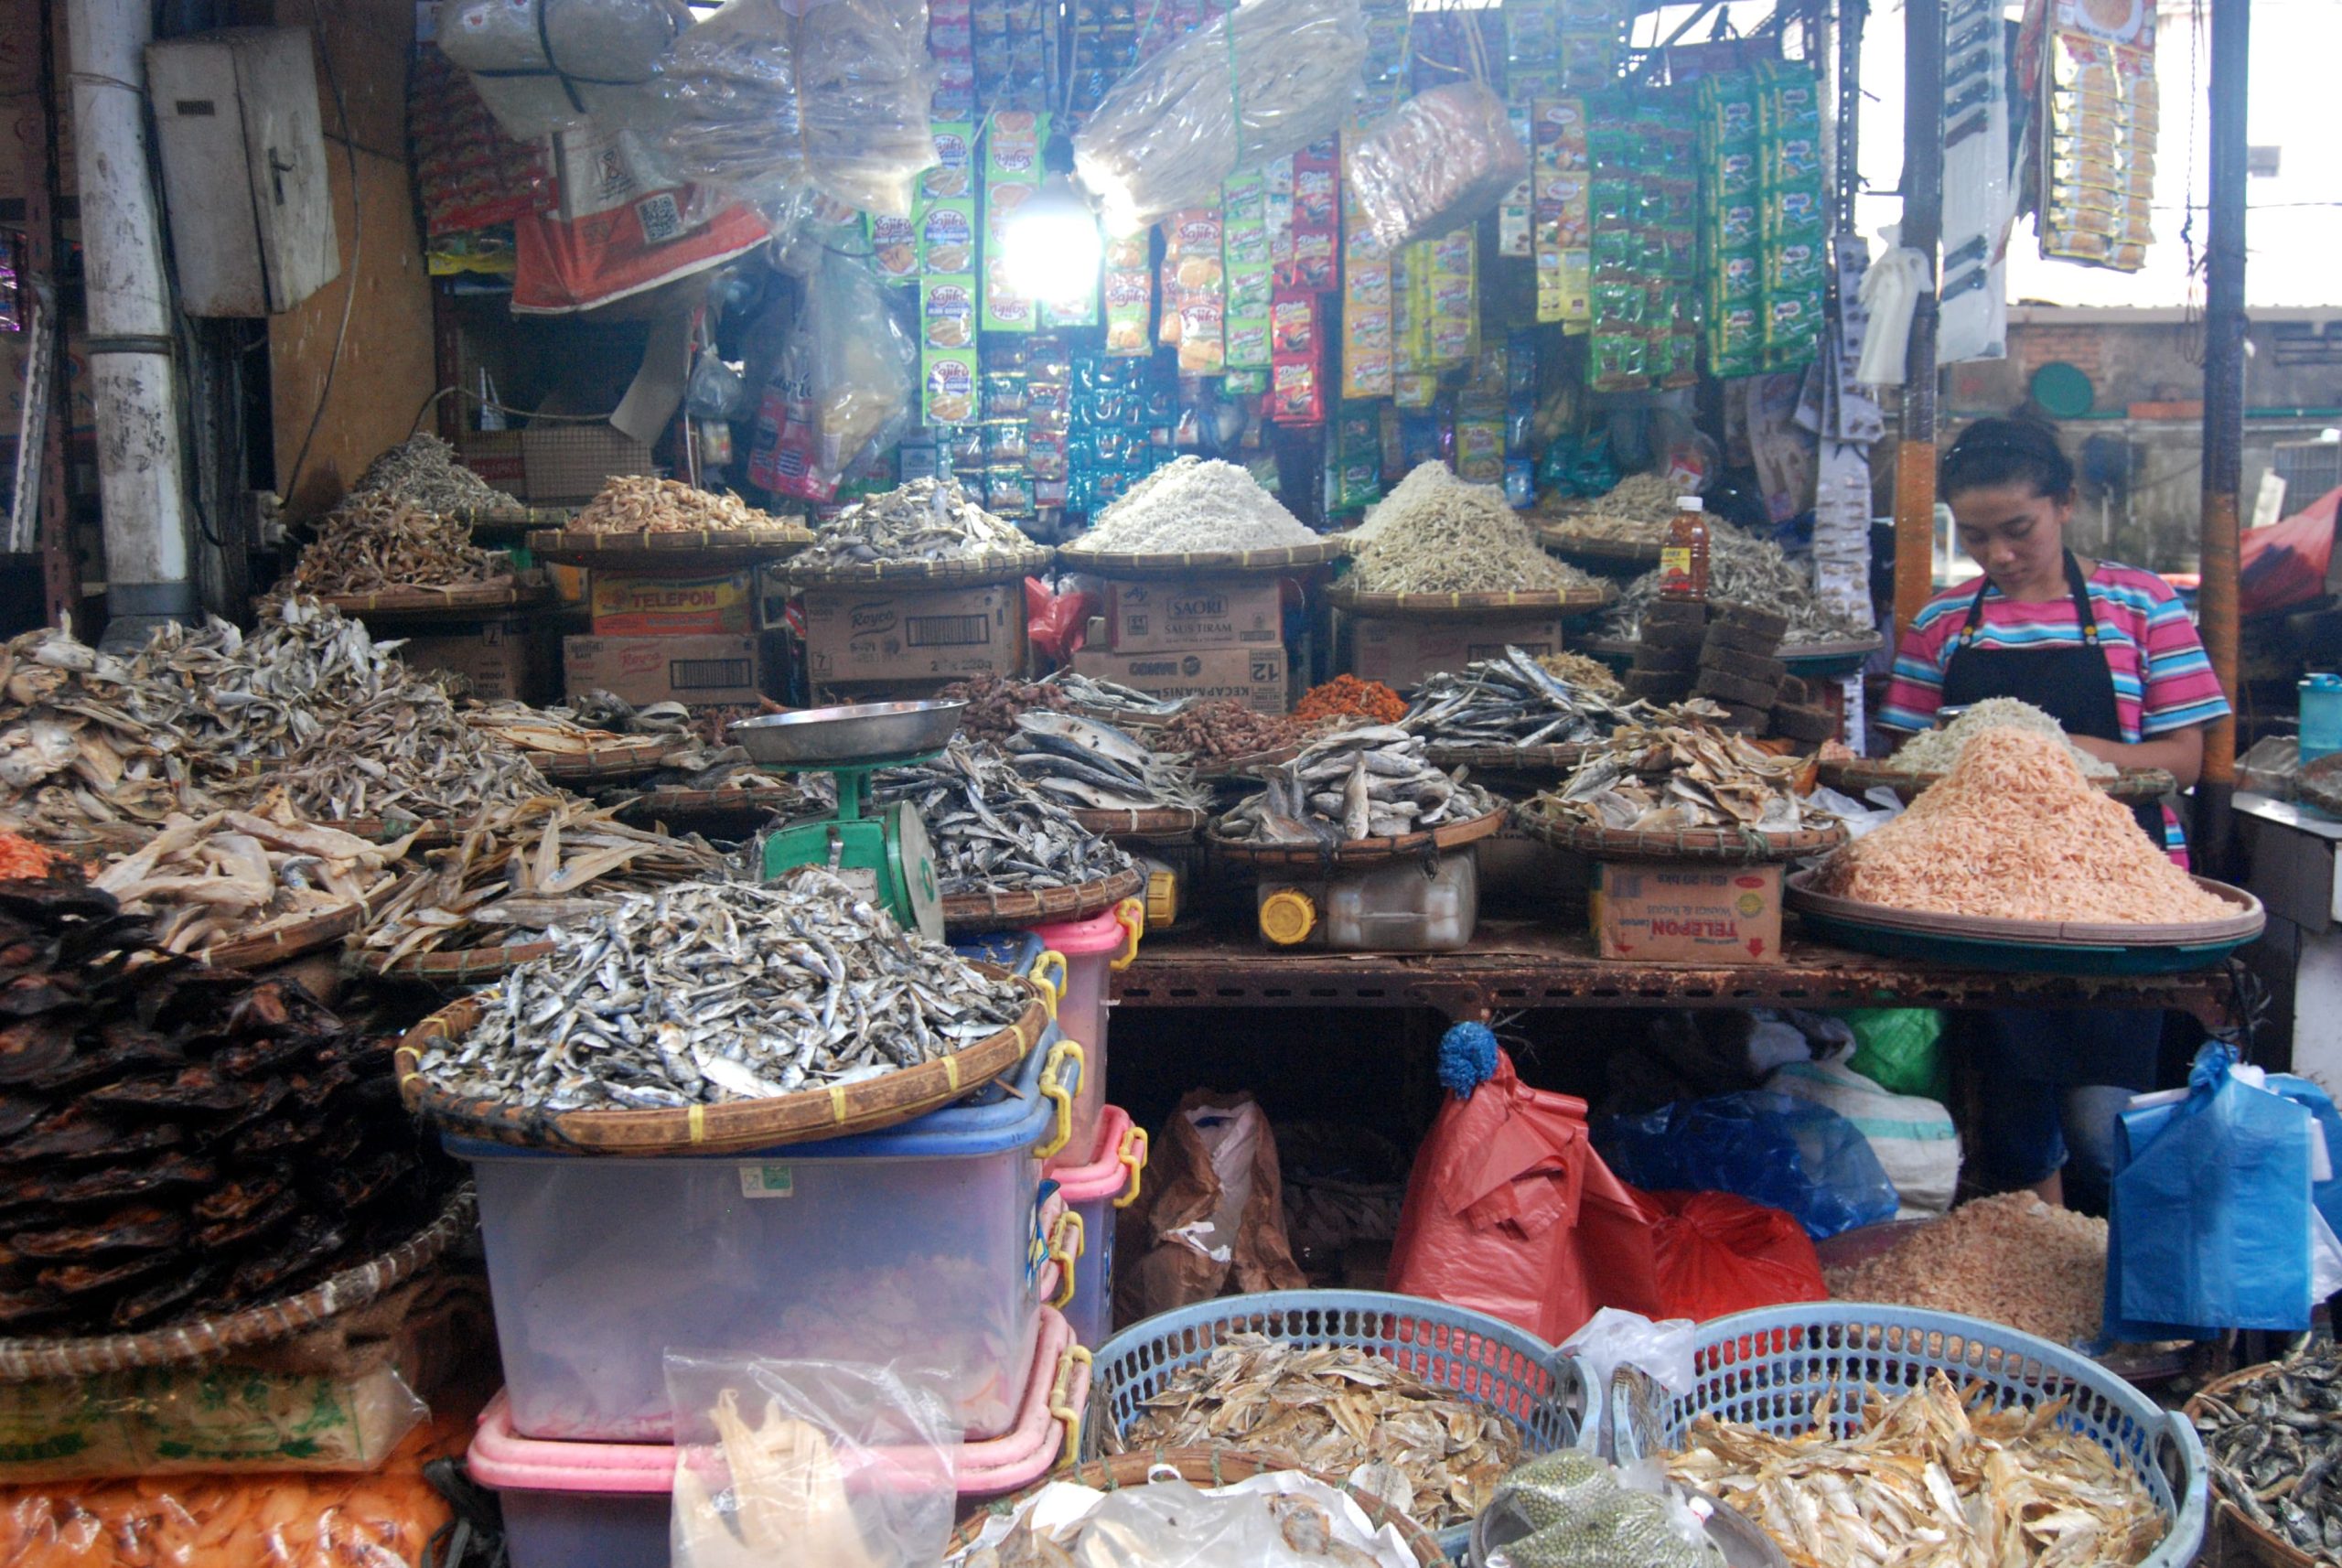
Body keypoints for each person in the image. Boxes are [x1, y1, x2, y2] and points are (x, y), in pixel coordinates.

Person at [1879, 416, 2231, 1209]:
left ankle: (2134, 1306)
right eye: (1974, 536)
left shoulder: (2141, 606)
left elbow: (2184, 759)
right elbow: (1900, 768)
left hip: (2116, 905)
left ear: (2065, 504)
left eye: (2018, 530)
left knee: (2103, 1131)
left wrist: (2050, 751)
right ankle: (2034, 1285)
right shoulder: (1942, 624)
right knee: (2010, 1134)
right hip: (1983, 905)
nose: (1998, 555)